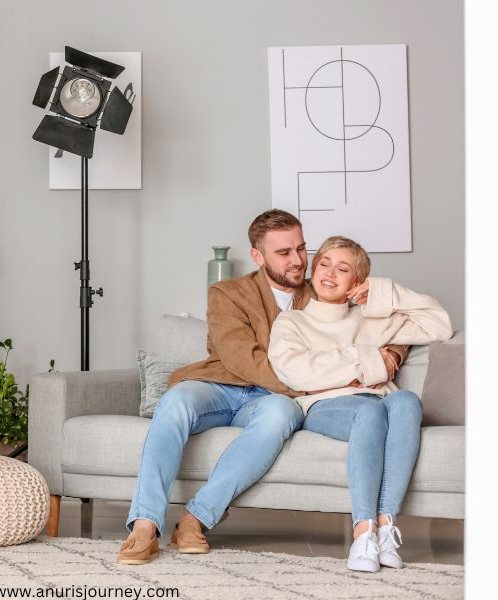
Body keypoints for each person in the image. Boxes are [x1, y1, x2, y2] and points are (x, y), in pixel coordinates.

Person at [116, 210, 408, 565]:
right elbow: (244, 358)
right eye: (284, 253)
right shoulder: (227, 293)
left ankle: (195, 519)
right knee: (175, 402)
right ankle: (144, 525)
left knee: (278, 417)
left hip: (272, 399)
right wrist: (312, 382)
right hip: (220, 384)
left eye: (301, 249)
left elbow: (388, 321)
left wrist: (391, 350)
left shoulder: (323, 290)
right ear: (258, 256)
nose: (299, 261)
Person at [268, 236, 453, 573]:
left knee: (407, 400)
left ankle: (385, 528)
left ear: (357, 281)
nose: (330, 274)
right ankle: (362, 530)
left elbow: (440, 324)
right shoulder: (292, 322)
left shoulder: (373, 319)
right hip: (325, 406)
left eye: (343, 269)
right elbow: (295, 372)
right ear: (313, 269)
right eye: (324, 264)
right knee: (371, 409)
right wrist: (369, 362)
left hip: (378, 401)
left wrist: (384, 293)